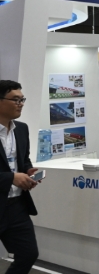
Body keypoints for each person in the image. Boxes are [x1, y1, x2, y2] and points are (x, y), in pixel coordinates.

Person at [0, 80, 40, 274]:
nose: (21, 104)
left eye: (22, 99)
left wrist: (29, 171)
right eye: (15, 100)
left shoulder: (22, 129)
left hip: (16, 205)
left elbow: (23, 160)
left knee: (28, 254)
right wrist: (11, 178)